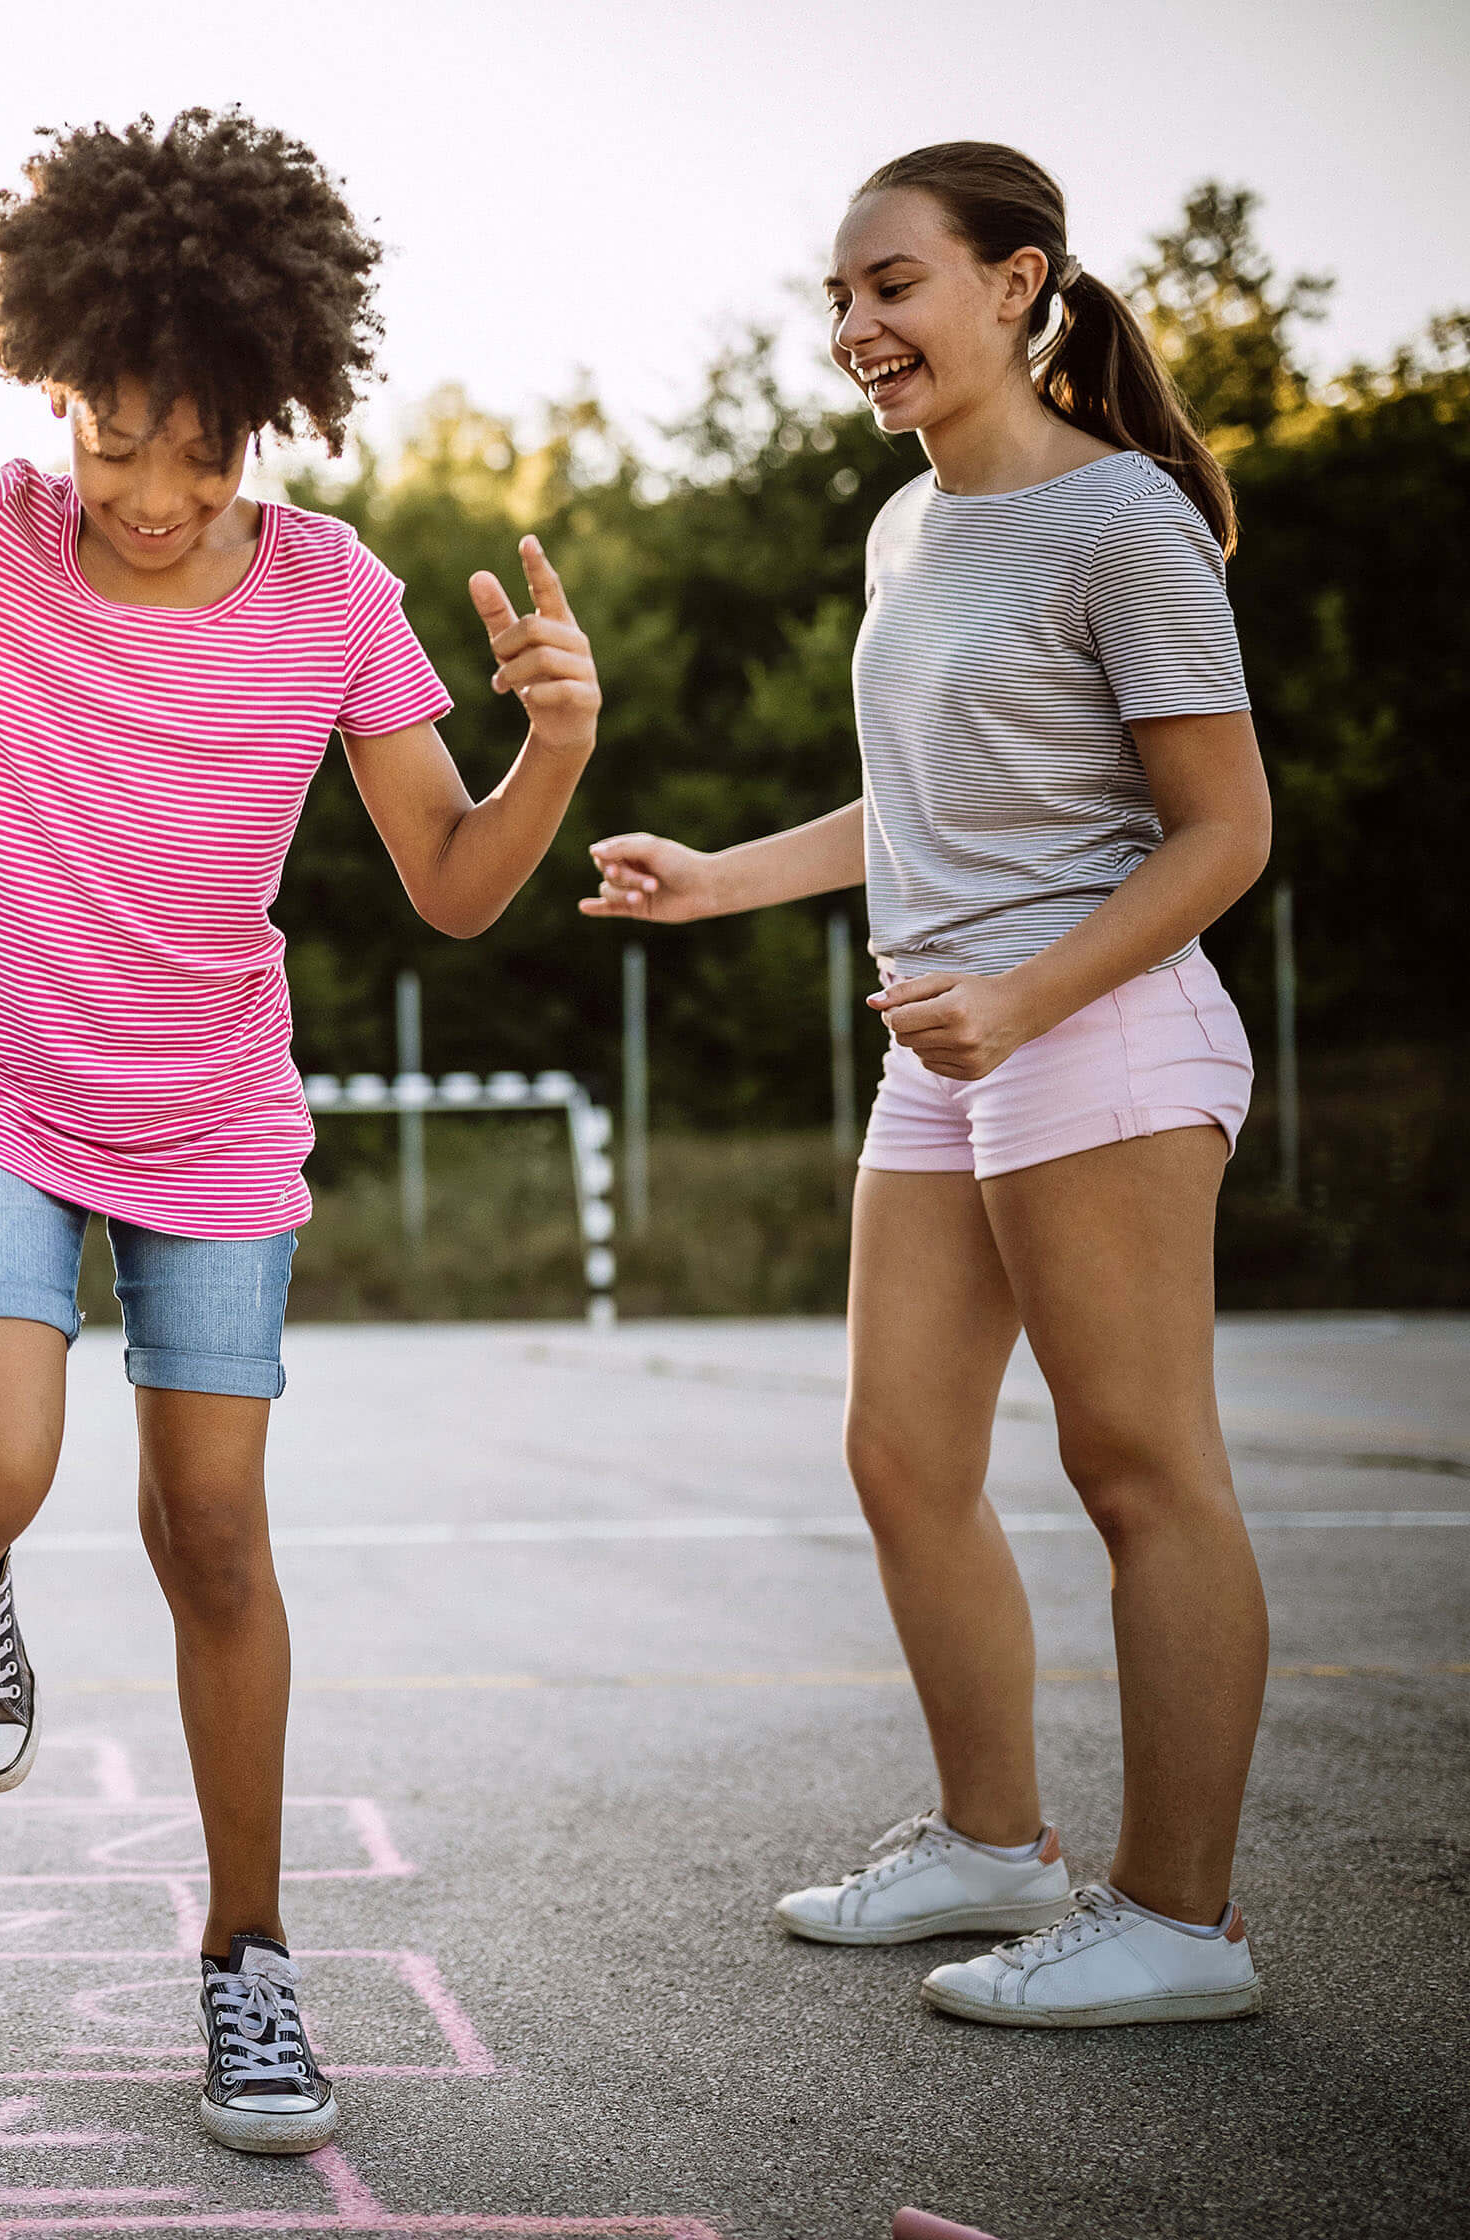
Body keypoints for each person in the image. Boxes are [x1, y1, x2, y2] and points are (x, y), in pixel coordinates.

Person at [0, 26, 604, 2152]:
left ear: (270, 418)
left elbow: (454, 889)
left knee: (212, 1530)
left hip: (216, 1122)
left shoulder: (334, 590)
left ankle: (249, 1963)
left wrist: (550, 746)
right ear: (53, 397)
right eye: (109, 441)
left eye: (199, 451)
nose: (153, 497)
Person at [583, 143, 1271, 2030]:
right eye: (841, 298)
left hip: (1098, 1033)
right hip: (953, 1048)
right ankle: (993, 1845)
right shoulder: (908, 527)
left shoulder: (1121, 515)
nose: (859, 327)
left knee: (1140, 1472)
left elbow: (1224, 830)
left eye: (893, 285)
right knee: (902, 1457)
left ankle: (1185, 1927)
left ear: (1015, 281)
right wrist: (722, 876)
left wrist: (1032, 992)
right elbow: (937, 803)